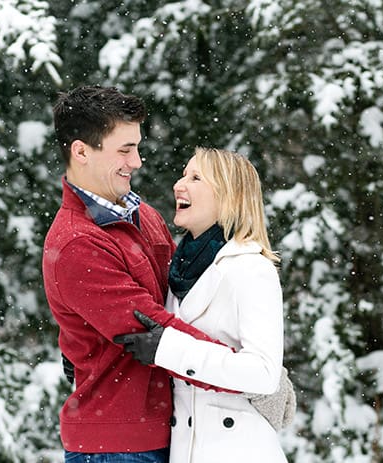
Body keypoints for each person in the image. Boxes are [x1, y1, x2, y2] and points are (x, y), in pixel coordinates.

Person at [43, 86, 230, 463]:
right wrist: (239, 373)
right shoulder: (77, 243)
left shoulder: (143, 215)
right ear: (81, 152)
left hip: (170, 431)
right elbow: (152, 327)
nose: (138, 161)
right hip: (116, 446)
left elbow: (186, 295)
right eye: (125, 150)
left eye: (137, 147)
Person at [114, 147, 294, 463]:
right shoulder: (177, 269)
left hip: (239, 450)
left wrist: (170, 349)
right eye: (184, 174)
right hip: (185, 448)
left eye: (195, 177)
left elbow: (264, 374)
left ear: (229, 196)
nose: (179, 185)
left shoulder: (251, 268)